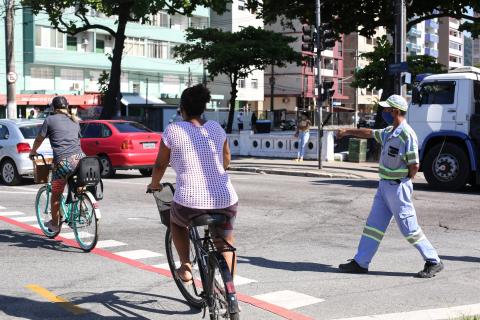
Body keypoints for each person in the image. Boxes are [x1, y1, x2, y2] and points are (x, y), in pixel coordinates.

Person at [336, 94, 443, 278]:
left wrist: (403, 180)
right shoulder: (389, 131)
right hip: (384, 187)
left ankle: (434, 261)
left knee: (409, 228)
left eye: (386, 109)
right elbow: (369, 133)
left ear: (395, 111)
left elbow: (414, 165)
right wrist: (347, 131)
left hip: (398, 188)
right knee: (373, 227)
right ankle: (361, 262)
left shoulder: (406, 134)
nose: (384, 112)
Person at [148, 84, 239, 283]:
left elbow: (160, 164)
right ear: (203, 108)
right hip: (226, 197)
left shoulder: (173, 130)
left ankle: (186, 265)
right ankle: (230, 292)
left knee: (177, 223)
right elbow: (226, 160)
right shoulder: (215, 127)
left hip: (190, 200)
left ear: (183, 109)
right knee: (225, 245)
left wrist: (154, 183)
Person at [29, 96, 85, 233]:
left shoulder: (49, 120)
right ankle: (81, 206)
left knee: (56, 194)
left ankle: (54, 224)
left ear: (53, 108)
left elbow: (39, 139)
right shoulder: (75, 120)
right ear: (67, 106)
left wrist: (33, 151)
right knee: (78, 185)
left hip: (64, 162)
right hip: (81, 159)